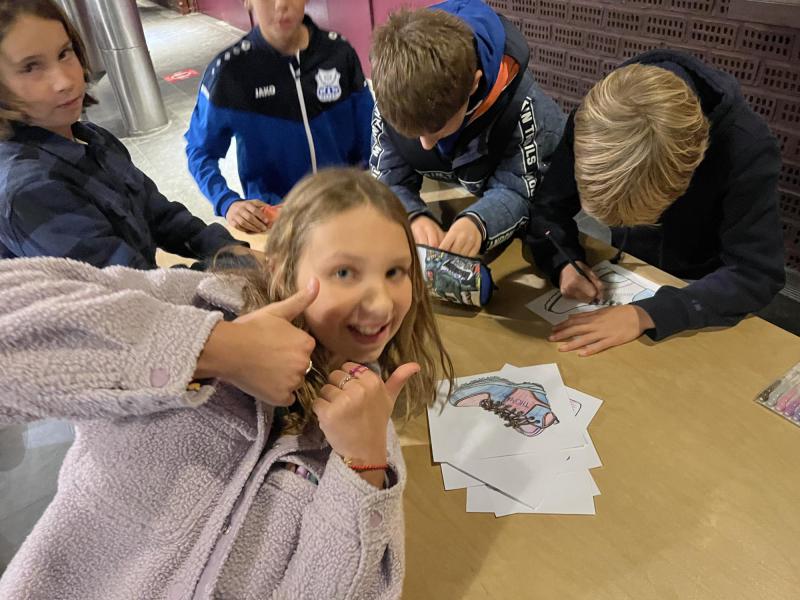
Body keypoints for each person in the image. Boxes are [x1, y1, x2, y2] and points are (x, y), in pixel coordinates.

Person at [0, 168, 454, 599]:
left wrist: (362, 468)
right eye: (344, 272)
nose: (379, 305)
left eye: (395, 271)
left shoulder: (368, 427)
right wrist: (216, 349)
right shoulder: (189, 302)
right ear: (281, 270)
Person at [527, 49, 785, 356]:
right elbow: (548, 209)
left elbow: (756, 274)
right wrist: (563, 262)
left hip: (702, 292)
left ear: (692, 167)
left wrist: (647, 313)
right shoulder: (595, 122)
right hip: (630, 273)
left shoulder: (746, 148)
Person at [0, 0, 244, 269]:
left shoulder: (94, 138)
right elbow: (136, 292)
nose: (64, 81)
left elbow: (159, 214)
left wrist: (227, 249)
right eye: (31, 67)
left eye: (64, 53)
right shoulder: (29, 190)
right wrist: (236, 269)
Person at [369, 0, 565, 257]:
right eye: (412, 132)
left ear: (474, 85)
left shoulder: (526, 111)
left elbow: (518, 189)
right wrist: (412, 216)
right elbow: (388, 178)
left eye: (437, 127)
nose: (426, 144)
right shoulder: (394, 97)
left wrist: (478, 223)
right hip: (454, 202)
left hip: (523, 235)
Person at [185, 0, 374, 234]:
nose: (281, 4)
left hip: (344, 209)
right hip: (278, 224)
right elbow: (200, 151)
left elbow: (370, 132)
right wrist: (227, 202)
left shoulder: (339, 53)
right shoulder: (229, 73)